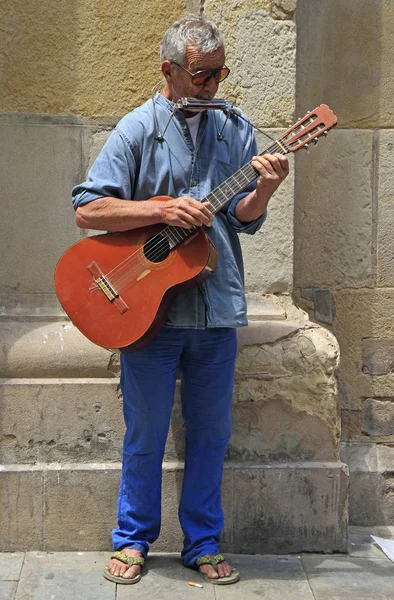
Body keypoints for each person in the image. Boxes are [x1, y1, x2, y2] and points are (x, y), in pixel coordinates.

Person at [72, 13, 289, 586]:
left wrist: (265, 184)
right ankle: (133, 540)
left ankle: (202, 542)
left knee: (212, 433)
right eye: (200, 75)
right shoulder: (137, 128)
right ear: (169, 70)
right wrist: (159, 209)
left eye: (219, 74)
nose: (212, 86)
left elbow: (242, 217)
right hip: (147, 311)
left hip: (216, 307)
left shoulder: (235, 127)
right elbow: (87, 208)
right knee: (144, 431)